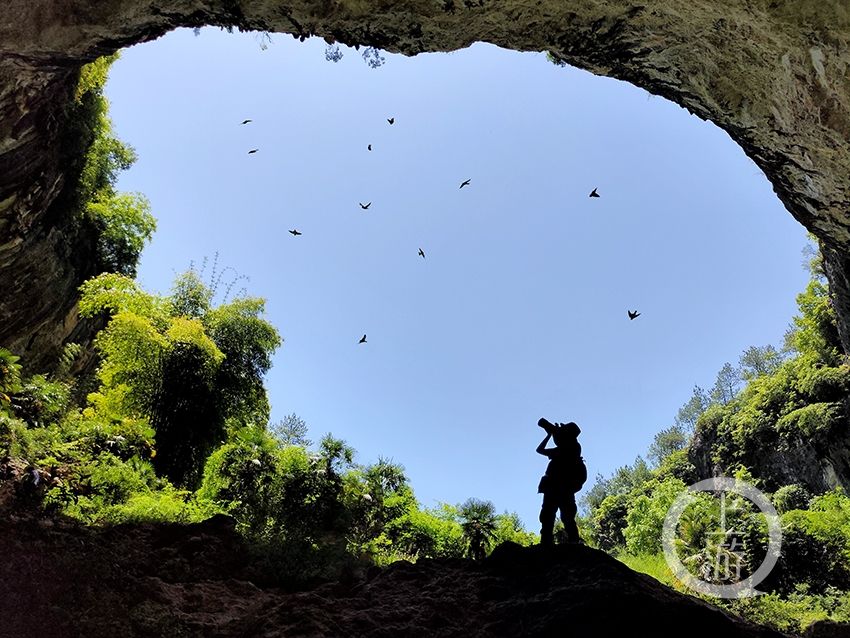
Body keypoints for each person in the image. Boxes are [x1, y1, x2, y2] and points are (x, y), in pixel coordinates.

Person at [536, 417, 587, 545]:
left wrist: (551, 433)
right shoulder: (565, 448)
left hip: (563, 488)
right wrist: (550, 434)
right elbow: (540, 450)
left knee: (566, 517)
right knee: (549, 516)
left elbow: (541, 450)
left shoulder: (572, 448)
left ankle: (572, 542)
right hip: (555, 488)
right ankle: (547, 542)